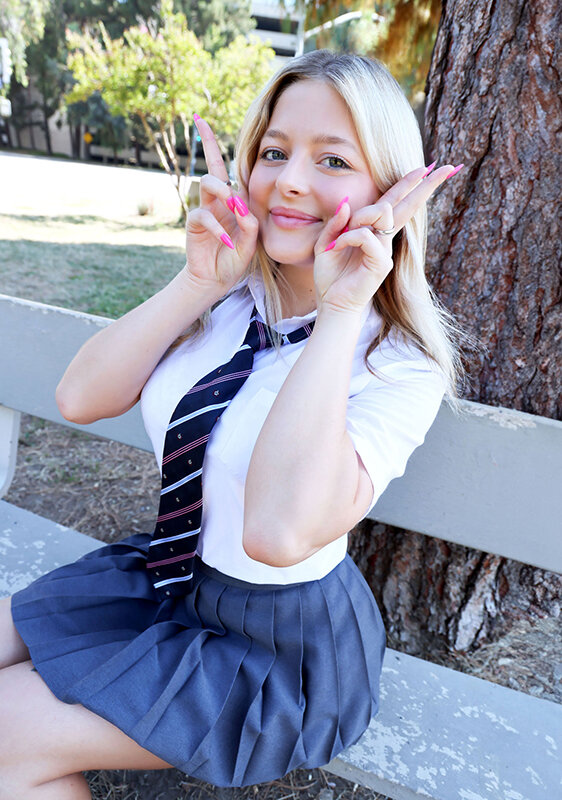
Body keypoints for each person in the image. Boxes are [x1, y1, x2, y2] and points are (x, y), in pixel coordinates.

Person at [0, 50, 464, 799]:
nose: (290, 180)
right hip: (168, 579)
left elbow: (277, 534)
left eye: (333, 160)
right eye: (274, 152)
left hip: (277, 651)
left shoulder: (397, 365)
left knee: (4, 735)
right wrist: (197, 282)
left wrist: (341, 309)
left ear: (388, 190)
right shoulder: (230, 299)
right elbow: (79, 396)